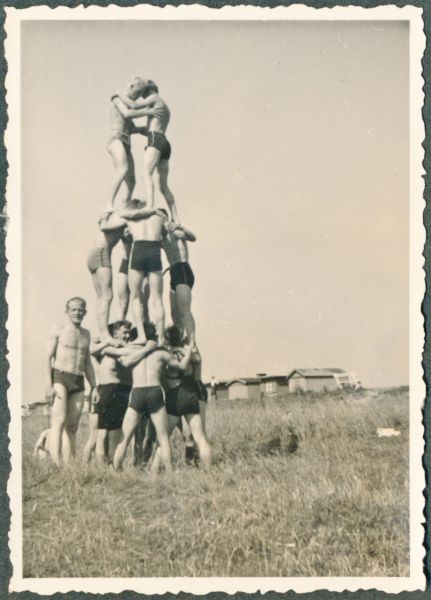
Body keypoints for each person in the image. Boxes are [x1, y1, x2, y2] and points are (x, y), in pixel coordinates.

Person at [112, 321, 193, 473]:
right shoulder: (160, 353)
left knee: (125, 437)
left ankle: (116, 471)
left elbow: (122, 360)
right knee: (163, 438)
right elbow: (182, 367)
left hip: (137, 392)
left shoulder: (131, 352)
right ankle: (169, 472)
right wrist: (188, 350)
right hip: (155, 391)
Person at [112, 79, 179, 223]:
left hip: (155, 141)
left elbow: (133, 106)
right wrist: (135, 130)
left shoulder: (154, 98)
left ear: (148, 91)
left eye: (143, 93)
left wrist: (118, 94)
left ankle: (150, 205)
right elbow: (151, 128)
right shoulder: (165, 107)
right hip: (165, 143)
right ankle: (176, 218)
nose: (142, 97)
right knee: (163, 186)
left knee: (145, 173)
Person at [45, 297, 97, 466]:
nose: (77, 312)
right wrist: (48, 384)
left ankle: (68, 467)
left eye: (80, 309)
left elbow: (87, 362)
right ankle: (55, 464)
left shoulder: (86, 334)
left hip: (78, 379)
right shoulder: (58, 329)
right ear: (67, 311)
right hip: (60, 376)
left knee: (72, 426)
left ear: (85, 312)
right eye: (73, 309)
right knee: (58, 421)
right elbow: (48, 357)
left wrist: (94, 386)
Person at [152, 326, 211, 473]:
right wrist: (190, 348)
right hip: (191, 394)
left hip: (175, 396)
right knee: (200, 437)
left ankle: (154, 471)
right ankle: (210, 471)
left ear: (166, 339)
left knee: (164, 438)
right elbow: (197, 369)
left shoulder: (167, 354)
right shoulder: (190, 353)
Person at [118, 199, 167, 343]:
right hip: (154, 249)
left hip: (139, 248)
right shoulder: (159, 216)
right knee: (157, 299)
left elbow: (121, 214)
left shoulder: (131, 215)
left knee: (135, 296)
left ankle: (141, 335)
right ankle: (161, 337)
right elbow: (165, 237)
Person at [89, 320, 135, 465]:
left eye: (128, 332)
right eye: (124, 332)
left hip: (124, 390)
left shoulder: (127, 347)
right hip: (110, 389)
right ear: (114, 333)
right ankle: (104, 467)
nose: (127, 335)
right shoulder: (107, 346)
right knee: (104, 432)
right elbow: (91, 350)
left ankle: (110, 466)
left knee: (115, 431)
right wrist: (107, 342)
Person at [108, 76, 156, 211]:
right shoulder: (117, 98)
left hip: (126, 142)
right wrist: (148, 111)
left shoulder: (127, 103)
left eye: (140, 95)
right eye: (137, 92)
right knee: (122, 169)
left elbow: (132, 127)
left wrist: (147, 130)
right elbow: (128, 114)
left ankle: (125, 205)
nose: (137, 96)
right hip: (115, 139)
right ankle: (109, 204)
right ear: (131, 87)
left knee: (131, 181)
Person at [87, 211, 129, 342]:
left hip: (92, 255)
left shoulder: (113, 218)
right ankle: (105, 334)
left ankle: (102, 332)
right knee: (108, 295)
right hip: (102, 253)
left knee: (101, 297)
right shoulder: (123, 220)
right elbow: (103, 226)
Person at [162, 222, 197, 345]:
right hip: (173, 272)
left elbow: (193, 238)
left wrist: (182, 227)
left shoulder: (175, 233)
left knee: (184, 310)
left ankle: (192, 342)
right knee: (174, 313)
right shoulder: (161, 237)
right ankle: (179, 341)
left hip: (182, 269)